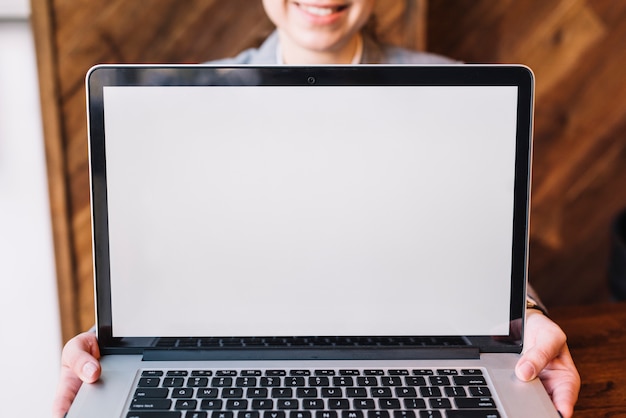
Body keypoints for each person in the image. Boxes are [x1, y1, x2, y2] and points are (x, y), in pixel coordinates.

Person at [53, 1, 581, 417]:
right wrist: (116, 341)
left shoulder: (457, 89)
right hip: (233, 364)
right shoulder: (183, 103)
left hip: (406, 359)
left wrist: (525, 319)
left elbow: (481, 250)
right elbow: (159, 270)